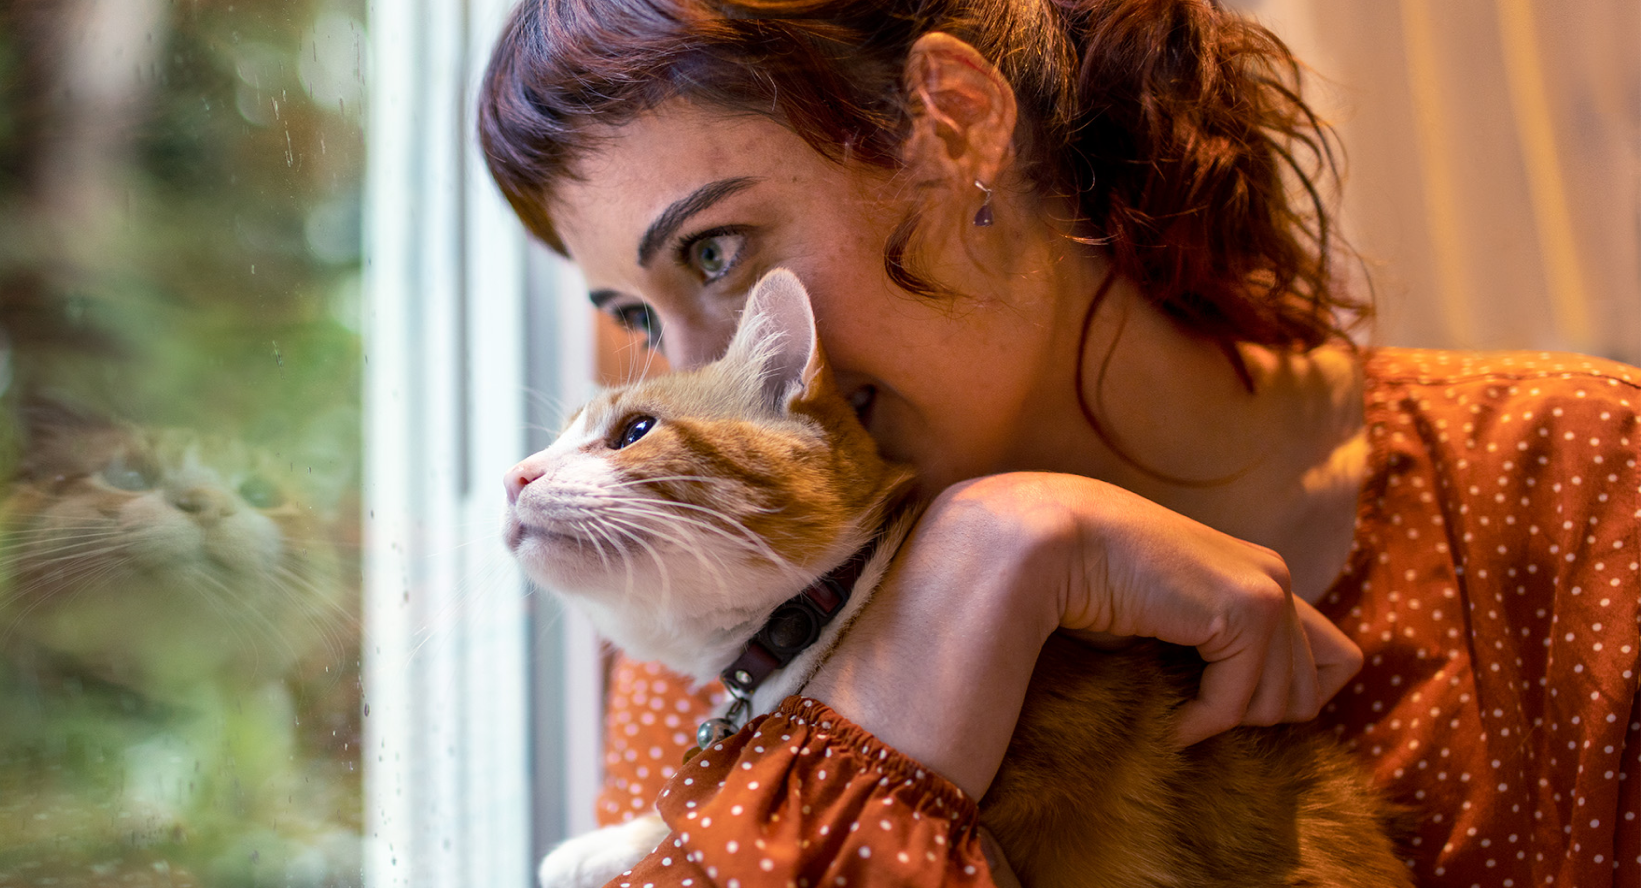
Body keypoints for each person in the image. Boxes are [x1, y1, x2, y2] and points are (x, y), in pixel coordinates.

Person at [476, 0, 1641, 884]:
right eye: (637, 314)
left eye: (717, 252)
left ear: (957, 122)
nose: (687, 362)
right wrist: (987, 567)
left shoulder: (1581, 477)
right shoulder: (714, 623)